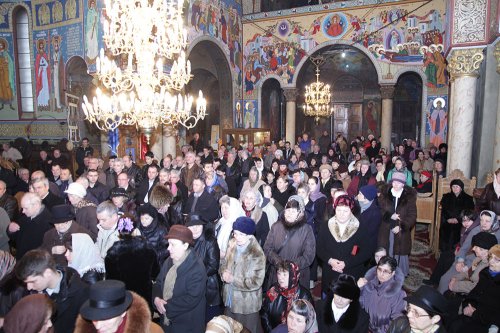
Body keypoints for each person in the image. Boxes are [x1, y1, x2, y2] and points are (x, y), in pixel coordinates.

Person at [15, 249, 89, 333]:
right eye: (26, 283)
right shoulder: (31, 293)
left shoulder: (82, 293)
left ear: (47, 273)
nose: (29, 287)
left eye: (33, 281)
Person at [153, 225, 207, 332]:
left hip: (186, 325)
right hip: (167, 323)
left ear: (185, 245)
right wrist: (156, 299)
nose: (168, 248)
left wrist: (164, 307)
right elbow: (158, 282)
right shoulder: (169, 261)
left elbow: (191, 298)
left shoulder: (197, 268)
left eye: (173, 244)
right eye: (169, 244)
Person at [317, 195, 372, 295]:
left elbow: (367, 251)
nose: (341, 214)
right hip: (330, 272)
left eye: (345, 211)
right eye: (339, 210)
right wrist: (330, 260)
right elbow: (319, 248)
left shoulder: (360, 227)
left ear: (351, 210)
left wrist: (346, 263)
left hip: (351, 272)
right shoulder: (326, 225)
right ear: (334, 209)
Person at [220, 216, 266, 333]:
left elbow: (256, 282)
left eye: (242, 234)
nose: (238, 237)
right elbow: (223, 264)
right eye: (235, 233)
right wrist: (223, 273)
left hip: (246, 306)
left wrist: (232, 279)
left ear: (250, 235)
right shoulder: (232, 245)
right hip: (230, 300)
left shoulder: (257, 253)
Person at [263, 196, 316, 290]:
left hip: (298, 275)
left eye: (293, 211)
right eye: (287, 211)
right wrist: (279, 264)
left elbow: (309, 255)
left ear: (300, 213)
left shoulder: (307, 229)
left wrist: (290, 267)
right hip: (277, 273)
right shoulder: (276, 226)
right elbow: (267, 248)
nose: (289, 214)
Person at [75, 280, 163, 333]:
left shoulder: (154, 331)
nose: (98, 326)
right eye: (95, 319)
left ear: (123, 312)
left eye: (105, 318)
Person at [448, 244, 500, 333]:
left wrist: (474, 314)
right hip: (473, 311)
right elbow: (475, 292)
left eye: (496, 260)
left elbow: (495, 313)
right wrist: (467, 305)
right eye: (491, 257)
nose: (491, 261)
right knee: (452, 322)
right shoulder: (485, 272)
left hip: (486, 322)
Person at [378, 171, 417, 276]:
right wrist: (390, 215)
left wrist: (401, 227)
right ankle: (386, 271)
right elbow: (379, 209)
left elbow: (412, 216)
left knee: (399, 250)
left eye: (398, 183)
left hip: (400, 230)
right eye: (394, 182)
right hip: (386, 228)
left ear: (403, 184)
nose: (396, 185)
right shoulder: (385, 195)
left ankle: (399, 273)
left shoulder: (409, 198)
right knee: (387, 249)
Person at [186, 214, 222, 322]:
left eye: (198, 225)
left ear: (203, 226)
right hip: (191, 289)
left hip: (208, 289)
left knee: (209, 322)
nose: (195, 229)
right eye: (192, 226)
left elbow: (213, 266)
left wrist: (194, 276)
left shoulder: (210, 241)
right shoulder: (185, 241)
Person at [260, 260, 313, 333]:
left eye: (284, 274)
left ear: (293, 276)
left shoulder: (304, 295)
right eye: (279, 273)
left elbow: (309, 322)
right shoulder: (273, 290)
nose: (280, 278)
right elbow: (264, 314)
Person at [359, 256, 406, 333]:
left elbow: (396, 322)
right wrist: (358, 289)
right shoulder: (368, 285)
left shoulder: (399, 294)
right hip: (364, 327)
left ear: (393, 273)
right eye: (379, 269)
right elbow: (360, 306)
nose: (381, 274)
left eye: (386, 271)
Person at [7, 192, 53, 260]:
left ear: (36, 205)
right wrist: (10, 230)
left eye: (26, 208)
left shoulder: (48, 223)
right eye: (22, 208)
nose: (23, 211)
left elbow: (46, 249)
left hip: (35, 262)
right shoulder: (25, 215)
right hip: (21, 259)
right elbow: (15, 238)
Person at [439, 179, 475, 252]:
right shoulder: (446, 197)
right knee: (445, 231)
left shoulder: (468, 198)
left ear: (461, 188)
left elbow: (468, 212)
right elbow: (444, 210)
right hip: (447, 221)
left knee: (457, 232)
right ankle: (444, 252)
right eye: (453, 187)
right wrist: (448, 219)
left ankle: (456, 252)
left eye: (457, 187)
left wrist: (458, 219)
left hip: (461, 222)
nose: (455, 188)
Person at [356, 185, 382, 256]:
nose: (357, 195)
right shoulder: (358, 206)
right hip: (356, 242)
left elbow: (369, 232)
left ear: (366, 197)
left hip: (367, 244)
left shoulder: (375, 212)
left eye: (360, 194)